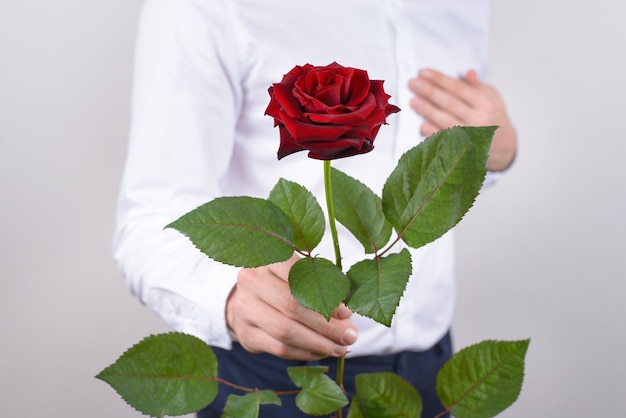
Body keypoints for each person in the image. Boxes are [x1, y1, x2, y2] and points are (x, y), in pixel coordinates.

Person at [113, 0, 517, 417]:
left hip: (432, 377)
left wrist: (496, 154)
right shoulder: (207, 8)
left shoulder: (463, 8)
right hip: (275, 382)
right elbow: (149, 218)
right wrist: (228, 297)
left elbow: (436, 162)